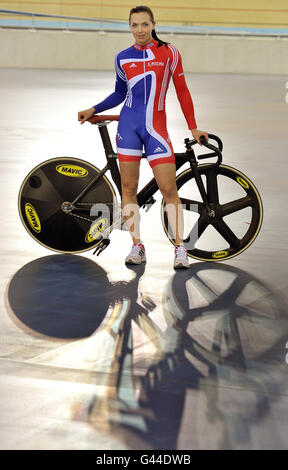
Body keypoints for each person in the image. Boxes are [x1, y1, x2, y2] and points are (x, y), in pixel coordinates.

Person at [78, 5, 208, 269]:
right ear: (129, 27)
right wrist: (94, 109)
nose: (140, 30)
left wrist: (193, 127)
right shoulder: (122, 57)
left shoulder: (169, 52)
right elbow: (118, 93)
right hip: (128, 128)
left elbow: (182, 90)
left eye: (144, 24)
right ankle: (137, 246)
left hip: (156, 131)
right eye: (134, 25)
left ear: (153, 24)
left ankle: (180, 248)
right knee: (128, 189)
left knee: (169, 190)